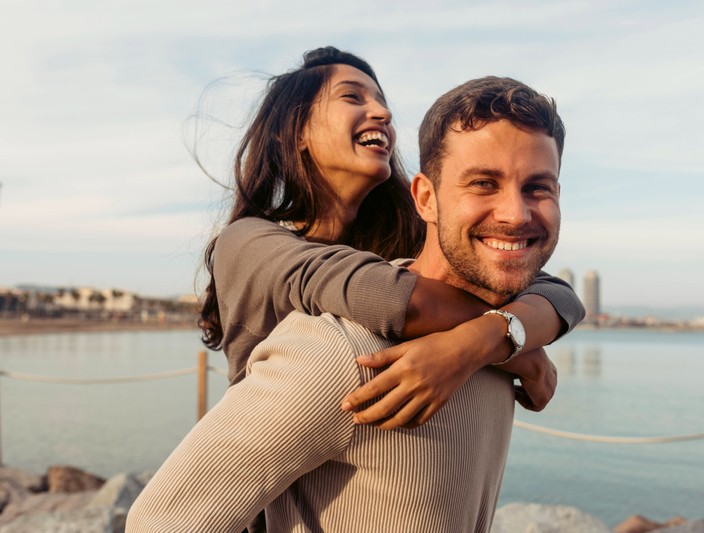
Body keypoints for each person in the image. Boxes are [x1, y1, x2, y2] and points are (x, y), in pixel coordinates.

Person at [127, 75, 568, 532]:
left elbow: (561, 296)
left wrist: (500, 339)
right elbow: (160, 522)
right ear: (427, 199)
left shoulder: (505, 330)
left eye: (539, 188)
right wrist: (505, 339)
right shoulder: (339, 347)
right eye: (482, 183)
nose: (515, 215)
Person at [198, 46, 584, 431]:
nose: (384, 113)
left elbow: (559, 295)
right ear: (295, 131)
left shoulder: (403, 242)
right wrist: (510, 344)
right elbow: (383, 297)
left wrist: (490, 337)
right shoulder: (247, 242)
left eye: (382, 102)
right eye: (353, 96)